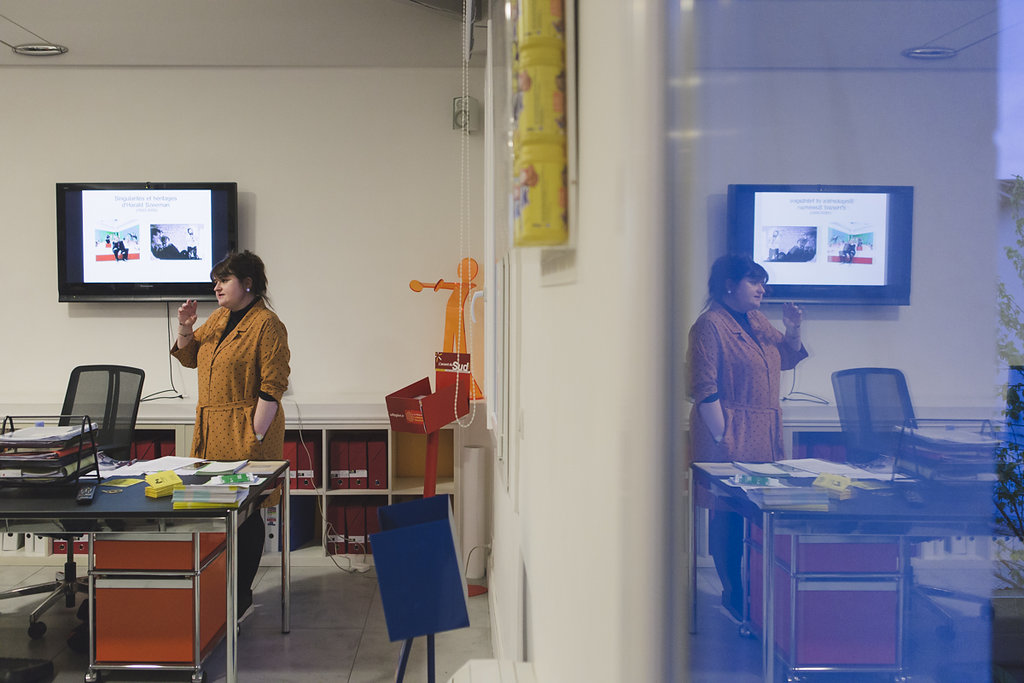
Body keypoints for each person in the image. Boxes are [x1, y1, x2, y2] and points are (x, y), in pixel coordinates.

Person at [171, 250, 291, 621]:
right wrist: (186, 327)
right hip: (212, 428)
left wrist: (255, 431)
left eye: (224, 280)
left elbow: (274, 383)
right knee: (219, 510)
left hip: (246, 429)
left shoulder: (267, 324)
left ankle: (239, 597)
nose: (216, 286)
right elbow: (190, 357)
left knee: (247, 509)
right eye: (216, 280)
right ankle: (221, 591)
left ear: (248, 282)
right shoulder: (220, 318)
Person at [687, 253, 808, 621]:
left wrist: (792, 329)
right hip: (728, 429)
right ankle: (733, 592)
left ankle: (755, 590)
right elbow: (703, 386)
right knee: (728, 514)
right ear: (729, 284)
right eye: (754, 281)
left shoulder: (756, 320)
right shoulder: (709, 325)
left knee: (757, 512)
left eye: (763, 282)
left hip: (764, 429)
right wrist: (725, 435)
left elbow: (785, 357)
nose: (762, 289)